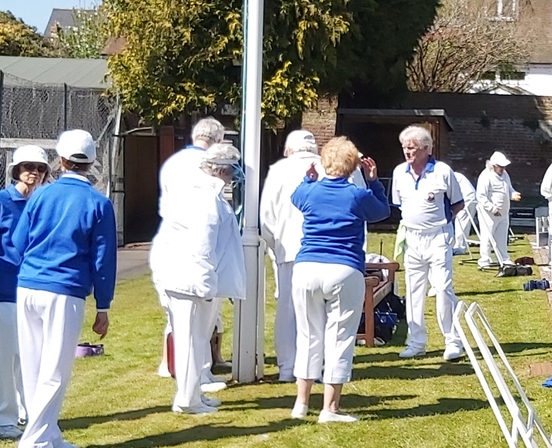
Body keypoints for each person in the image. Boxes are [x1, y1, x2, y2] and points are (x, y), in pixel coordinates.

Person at [9, 129, 116, 448]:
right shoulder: (98, 203)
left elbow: (18, 240)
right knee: (54, 370)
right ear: (92, 162)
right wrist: (103, 304)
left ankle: (49, 432)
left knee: (34, 365)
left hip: (28, 285)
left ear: (61, 160)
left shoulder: (40, 195)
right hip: (64, 289)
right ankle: (33, 447)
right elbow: (103, 259)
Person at [289, 137, 389, 422]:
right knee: (339, 338)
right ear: (353, 165)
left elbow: (297, 196)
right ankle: (330, 408)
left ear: (323, 163)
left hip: (307, 266)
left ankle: (301, 403)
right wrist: (373, 181)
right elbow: (381, 211)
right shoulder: (357, 195)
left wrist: (308, 180)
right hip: (343, 268)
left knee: (308, 336)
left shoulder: (310, 192)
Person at [151, 143, 246, 414]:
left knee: (197, 339)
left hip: (194, 278)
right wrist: (205, 283)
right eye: (230, 169)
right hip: (189, 280)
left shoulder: (207, 194)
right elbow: (201, 244)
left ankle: (194, 394)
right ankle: (187, 399)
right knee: (190, 340)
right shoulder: (202, 197)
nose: (233, 175)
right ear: (219, 170)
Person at [0, 145, 49, 440]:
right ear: (16, 169)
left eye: (40, 168)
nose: (34, 173)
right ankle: (2, 418)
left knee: (33, 357)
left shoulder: (44, 201)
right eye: (28, 167)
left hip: (36, 289)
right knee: (5, 358)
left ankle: (31, 412)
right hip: (3, 292)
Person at [155, 118, 228, 388]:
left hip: (169, 241)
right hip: (195, 246)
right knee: (199, 322)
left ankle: (171, 365)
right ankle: (198, 376)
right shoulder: (206, 170)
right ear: (218, 141)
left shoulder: (172, 163)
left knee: (175, 315)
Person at [391, 125, 466, 360]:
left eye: (412, 148)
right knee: (413, 291)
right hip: (412, 237)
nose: (407, 152)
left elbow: (459, 203)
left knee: (443, 288)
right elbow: (398, 205)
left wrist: (443, 224)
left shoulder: (443, 171)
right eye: (404, 148)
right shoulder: (398, 173)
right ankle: (416, 342)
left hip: (438, 236)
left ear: (425, 148)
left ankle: (453, 341)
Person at [259, 130, 320, 382]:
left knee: (288, 309)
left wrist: (276, 246)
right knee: (318, 310)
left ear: (288, 149)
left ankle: (287, 368)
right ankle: (314, 368)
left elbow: (266, 218)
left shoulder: (278, 171)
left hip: (288, 248)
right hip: (321, 248)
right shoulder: (326, 167)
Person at [476, 151, 519, 269]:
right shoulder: (485, 176)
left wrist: (513, 194)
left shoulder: (505, 174)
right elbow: (481, 196)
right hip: (489, 213)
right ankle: (484, 260)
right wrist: (492, 208)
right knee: (487, 236)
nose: (503, 168)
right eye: (500, 166)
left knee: (502, 235)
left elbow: (509, 189)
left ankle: (504, 258)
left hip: (504, 212)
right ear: (493, 165)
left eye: (504, 166)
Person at [451, 171, 478, 255]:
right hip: (469, 199)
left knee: (461, 224)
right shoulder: (455, 175)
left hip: (467, 200)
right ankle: (459, 246)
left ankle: (460, 248)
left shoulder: (451, 176)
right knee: (461, 223)